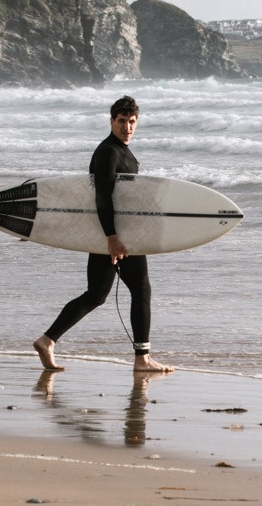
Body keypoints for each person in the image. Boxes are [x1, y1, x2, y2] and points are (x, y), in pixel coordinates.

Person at [33, 96, 174, 373]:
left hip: (110, 234)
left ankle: (47, 340)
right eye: (122, 121)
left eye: (132, 122)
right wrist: (112, 237)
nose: (127, 127)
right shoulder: (109, 152)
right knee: (141, 290)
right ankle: (142, 359)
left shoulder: (120, 151)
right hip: (115, 235)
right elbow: (102, 197)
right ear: (111, 121)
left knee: (96, 294)